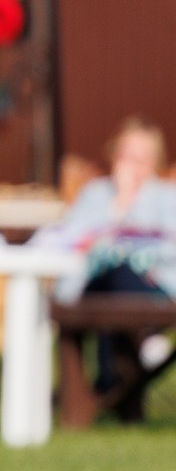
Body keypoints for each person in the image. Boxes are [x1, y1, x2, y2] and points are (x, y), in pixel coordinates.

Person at [40, 117, 176, 410]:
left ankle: (111, 388)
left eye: (141, 159)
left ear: (154, 162)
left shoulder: (167, 197)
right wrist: (119, 205)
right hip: (92, 286)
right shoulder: (95, 195)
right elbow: (71, 239)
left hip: (153, 286)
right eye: (127, 157)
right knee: (112, 271)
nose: (133, 166)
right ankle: (141, 347)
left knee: (123, 269)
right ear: (114, 157)